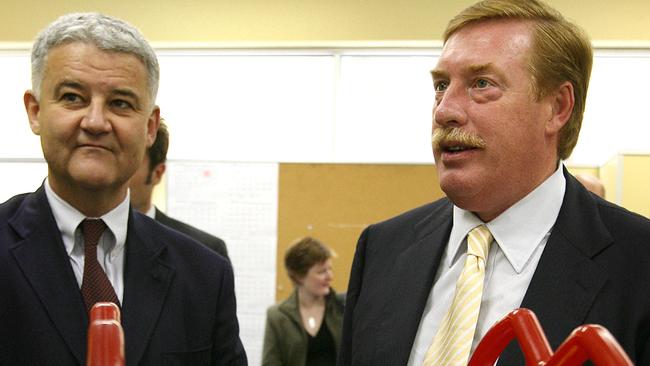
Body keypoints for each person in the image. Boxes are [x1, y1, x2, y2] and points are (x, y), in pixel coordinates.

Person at [339, 1, 650, 365]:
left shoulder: (638, 265)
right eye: (441, 85)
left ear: (557, 107)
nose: (444, 111)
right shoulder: (382, 250)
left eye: (481, 84)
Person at [0, 13, 247, 365]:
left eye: (120, 103)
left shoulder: (205, 275)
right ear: (35, 111)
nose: (96, 122)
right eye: (72, 97)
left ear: (149, 127)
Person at [129, 119, 228, 258]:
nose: (115, 175)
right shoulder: (90, 240)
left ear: (157, 173)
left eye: (131, 164)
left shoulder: (205, 252)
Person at [262, 237, 344, 366]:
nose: (330, 276)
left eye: (330, 269)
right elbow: (270, 362)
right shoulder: (278, 316)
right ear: (299, 276)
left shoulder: (343, 308)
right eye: (322, 272)